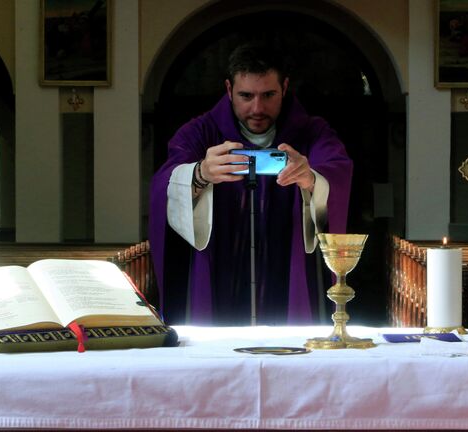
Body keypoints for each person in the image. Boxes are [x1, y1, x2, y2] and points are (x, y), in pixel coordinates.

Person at [148, 42, 352, 325]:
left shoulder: (312, 131)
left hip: (287, 266)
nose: (257, 108)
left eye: (268, 95)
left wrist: (311, 178)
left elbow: (337, 171)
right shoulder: (201, 131)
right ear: (229, 90)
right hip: (222, 267)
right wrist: (199, 173)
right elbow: (164, 183)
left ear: (285, 88)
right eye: (246, 96)